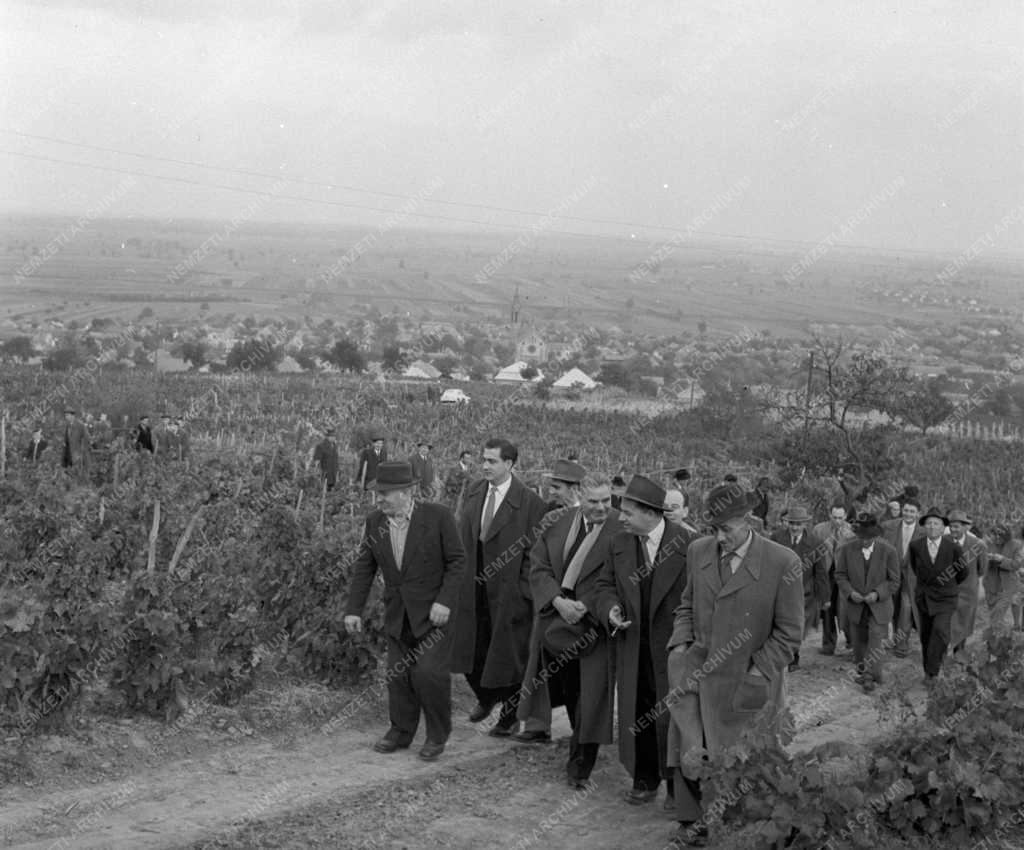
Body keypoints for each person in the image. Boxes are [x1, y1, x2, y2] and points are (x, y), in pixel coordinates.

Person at [665, 482, 803, 847]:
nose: (719, 536)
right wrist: (680, 646)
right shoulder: (698, 552)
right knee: (693, 743)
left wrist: (759, 672)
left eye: (726, 528)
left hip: (748, 679)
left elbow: (789, 633)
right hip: (699, 670)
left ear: (749, 521)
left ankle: (746, 822)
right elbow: (686, 604)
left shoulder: (782, 562)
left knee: (747, 756)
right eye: (714, 528)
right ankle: (692, 821)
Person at [344, 462, 466, 761]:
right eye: (377, 493)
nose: (379, 499)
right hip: (399, 614)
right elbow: (365, 567)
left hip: (434, 615)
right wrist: (353, 610)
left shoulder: (438, 517)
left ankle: (437, 735)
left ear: (407, 492)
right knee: (397, 676)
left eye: (385, 493)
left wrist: (444, 601)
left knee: (428, 674)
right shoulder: (375, 523)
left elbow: (457, 562)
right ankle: (400, 731)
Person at [595, 475, 693, 812]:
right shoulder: (618, 543)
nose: (620, 518)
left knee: (673, 716)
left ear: (652, 514)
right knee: (638, 713)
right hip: (633, 647)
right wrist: (610, 609)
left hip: (672, 651)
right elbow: (603, 586)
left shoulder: (689, 545)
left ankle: (676, 786)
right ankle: (643, 778)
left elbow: (698, 600)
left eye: (628, 512)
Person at [522, 474, 618, 786]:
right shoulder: (558, 523)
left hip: (598, 627)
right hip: (558, 626)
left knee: (592, 696)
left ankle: (580, 765)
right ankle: (576, 734)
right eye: (594, 501)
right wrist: (558, 601)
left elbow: (624, 577)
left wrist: (588, 605)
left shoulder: (622, 529)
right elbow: (539, 566)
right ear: (579, 496)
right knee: (570, 690)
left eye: (607, 501)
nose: (602, 508)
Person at [451, 437, 547, 737]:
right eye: (483, 460)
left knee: (508, 655)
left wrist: (523, 591)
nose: (485, 466)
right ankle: (485, 696)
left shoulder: (531, 503)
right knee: (470, 647)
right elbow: (464, 533)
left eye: (492, 461)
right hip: (473, 585)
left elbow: (535, 554)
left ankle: (508, 716)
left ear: (509, 464)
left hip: (508, 593)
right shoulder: (476, 490)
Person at [514, 459, 586, 743]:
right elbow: (537, 562)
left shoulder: (599, 521)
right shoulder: (550, 518)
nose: (552, 492)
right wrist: (552, 597)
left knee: (578, 668)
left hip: (583, 607)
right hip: (549, 602)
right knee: (540, 662)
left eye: (556, 487)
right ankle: (537, 724)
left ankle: (582, 729)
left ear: (575, 488)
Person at [834, 514, 900, 693]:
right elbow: (840, 575)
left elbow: (894, 581)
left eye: (868, 538)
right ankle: (864, 672)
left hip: (879, 607)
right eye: (861, 537)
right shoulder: (847, 550)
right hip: (856, 606)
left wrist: (877, 594)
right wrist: (850, 592)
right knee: (859, 641)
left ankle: (871, 676)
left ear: (875, 536)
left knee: (875, 639)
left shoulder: (889, 551)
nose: (864, 541)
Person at [908, 507, 966, 681]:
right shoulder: (915, 546)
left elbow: (963, 572)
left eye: (936, 523)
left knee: (940, 631)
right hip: (924, 597)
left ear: (943, 528)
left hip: (946, 598)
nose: (932, 527)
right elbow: (915, 567)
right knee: (926, 635)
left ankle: (933, 671)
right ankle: (928, 670)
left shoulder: (953, 548)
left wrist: (947, 584)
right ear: (924, 527)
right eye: (929, 523)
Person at [770, 505, 828, 670]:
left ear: (805, 524)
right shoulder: (776, 538)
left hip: (804, 593)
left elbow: (821, 572)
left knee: (796, 625)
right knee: (779, 623)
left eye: (798, 524)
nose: (794, 527)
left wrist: (824, 597)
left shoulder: (816, 543)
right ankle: (781, 654)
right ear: (787, 523)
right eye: (792, 523)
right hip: (779, 590)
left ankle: (793, 656)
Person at [813, 500, 857, 656]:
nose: (837, 520)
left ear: (845, 515)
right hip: (825, 575)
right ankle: (828, 644)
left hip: (845, 576)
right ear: (829, 515)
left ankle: (852, 641)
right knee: (827, 610)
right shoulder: (819, 530)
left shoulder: (852, 532)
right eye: (834, 517)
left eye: (840, 517)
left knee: (846, 609)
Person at [883, 498, 925, 657]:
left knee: (906, 608)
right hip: (891, 574)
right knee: (891, 607)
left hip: (912, 577)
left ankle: (902, 644)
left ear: (918, 513)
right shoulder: (889, 526)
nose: (908, 514)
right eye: (906, 510)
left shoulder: (923, 532)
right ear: (902, 510)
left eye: (912, 511)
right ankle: (890, 639)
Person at [947, 509, 987, 653]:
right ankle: (944, 655)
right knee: (948, 623)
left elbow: (982, 569)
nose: (953, 529)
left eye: (957, 526)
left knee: (963, 622)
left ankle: (959, 653)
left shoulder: (978, 545)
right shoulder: (943, 542)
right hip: (947, 591)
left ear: (965, 527)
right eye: (951, 526)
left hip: (968, 591)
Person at [984, 524, 1023, 630]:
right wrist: (987, 561)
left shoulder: (1016, 545)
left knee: (997, 617)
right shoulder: (987, 544)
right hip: (990, 585)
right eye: (994, 534)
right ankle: (995, 640)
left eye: (1000, 535)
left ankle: (996, 641)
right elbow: (979, 565)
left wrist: (1002, 560)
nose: (997, 537)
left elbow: (1016, 565)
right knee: (993, 615)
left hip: (1007, 587)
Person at [62, 408, 91, 476]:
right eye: (65, 415)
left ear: (72, 416)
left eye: (67, 415)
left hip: (78, 454)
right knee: (69, 473)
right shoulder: (68, 425)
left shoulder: (80, 425)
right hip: (69, 454)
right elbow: (66, 439)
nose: (66, 417)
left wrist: (82, 450)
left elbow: (87, 438)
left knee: (79, 473)